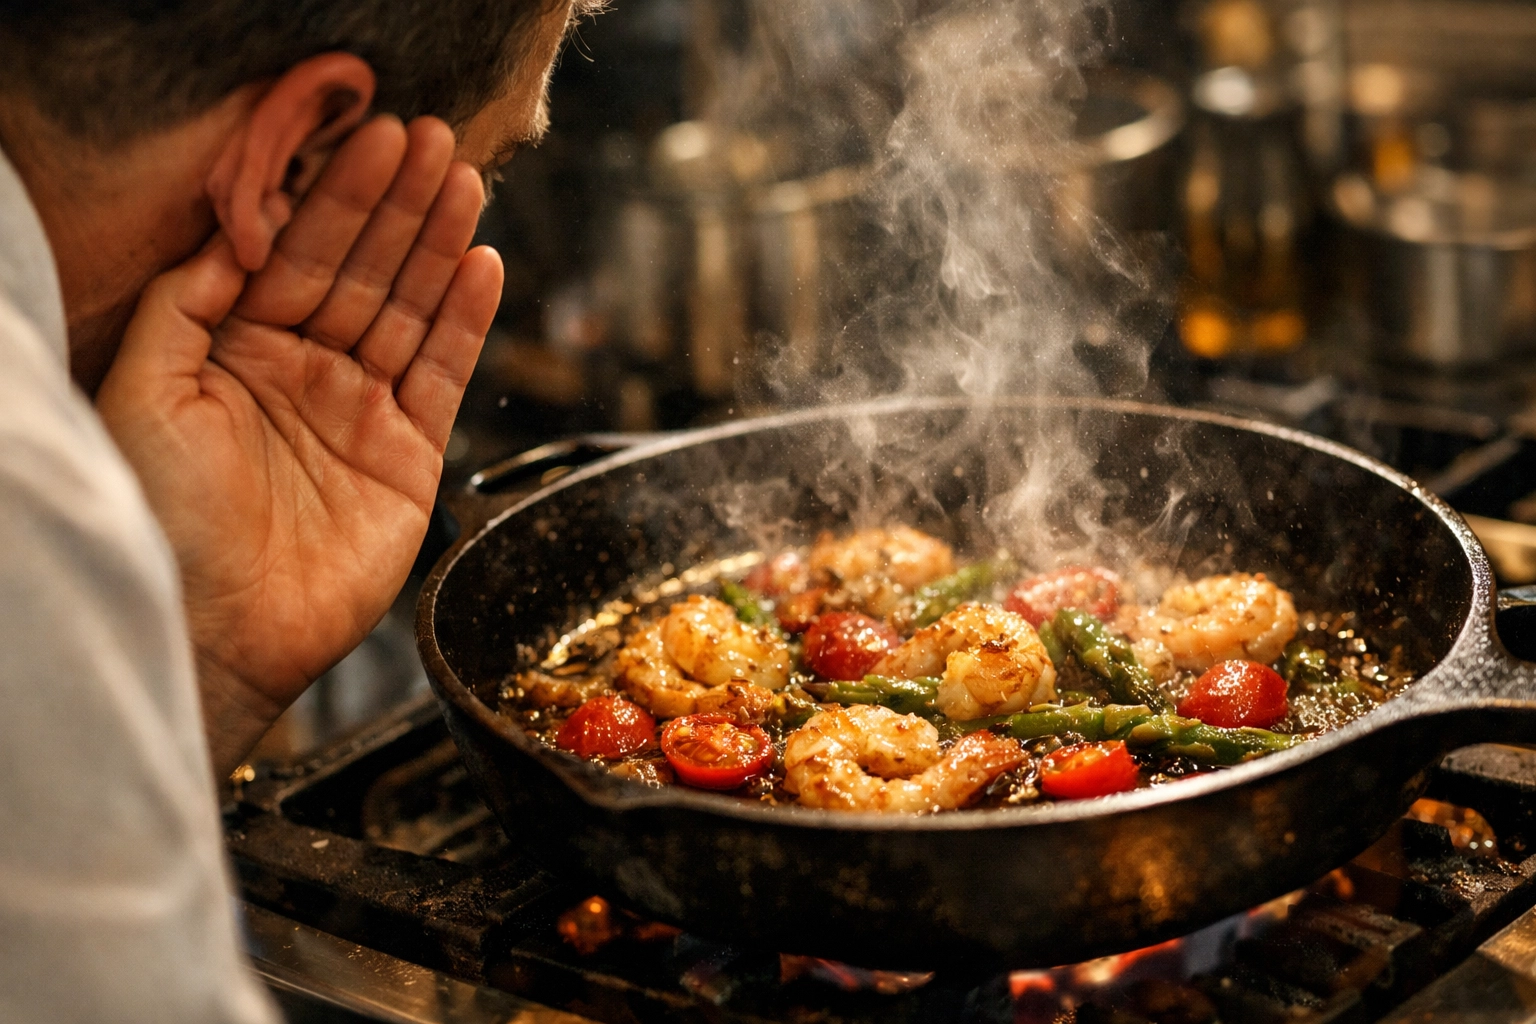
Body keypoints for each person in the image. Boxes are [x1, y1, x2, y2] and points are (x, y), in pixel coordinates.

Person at [0, 1, 597, 1020]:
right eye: (486, 170)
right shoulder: (28, 510)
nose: (476, 219)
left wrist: (193, 654)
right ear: (297, 158)